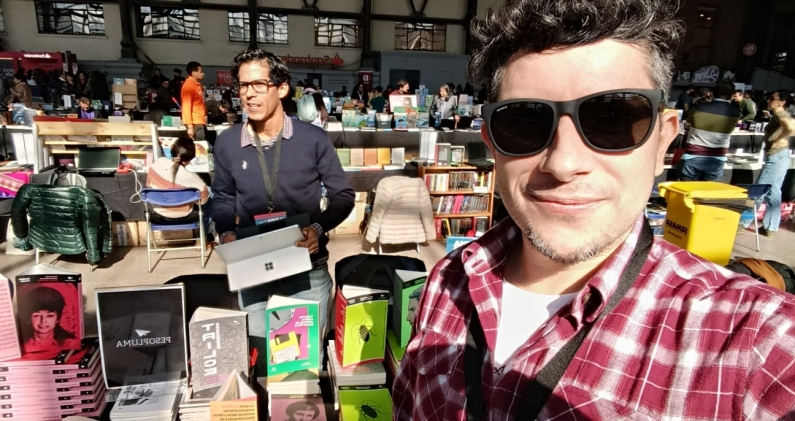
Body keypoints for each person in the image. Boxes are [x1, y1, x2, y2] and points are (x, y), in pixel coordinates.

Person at [392, 0, 795, 420]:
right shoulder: (447, 280)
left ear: (663, 142)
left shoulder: (756, 344)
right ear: (492, 145)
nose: (563, 163)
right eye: (525, 122)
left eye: (612, 119)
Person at [212, 49, 354, 375]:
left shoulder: (313, 139)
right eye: (243, 85)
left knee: (303, 371)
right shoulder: (228, 143)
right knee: (263, 366)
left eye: (259, 84)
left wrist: (317, 228)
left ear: (282, 88)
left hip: (306, 270)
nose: (249, 93)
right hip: (252, 270)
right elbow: (222, 197)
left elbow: (343, 196)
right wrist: (226, 232)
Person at [745, 90, 795, 237]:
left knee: (757, 191)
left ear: (782, 102)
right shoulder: (779, 115)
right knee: (774, 192)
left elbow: (790, 128)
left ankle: (743, 222)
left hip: (776, 156)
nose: (769, 100)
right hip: (780, 156)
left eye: (773, 98)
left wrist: (777, 140)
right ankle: (770, 227)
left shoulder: (780, 114)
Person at [146, 136, 212, 242]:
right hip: (185, 216)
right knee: (210, 194)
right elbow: (203, 201)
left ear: (172, 150)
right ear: (191, 157)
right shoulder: (192, 178)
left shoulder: (157, 164)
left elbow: (148, 185)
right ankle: (202, 238)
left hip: (158, 215)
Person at [676, 81, 740, 181]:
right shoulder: (735, 113)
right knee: (708, 191)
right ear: (731, 95)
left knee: (687, 190)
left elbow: (687, 126)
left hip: (692, 156)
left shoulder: (699, 107)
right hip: (717, 159)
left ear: (712, 93)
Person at [18, 286, 80, 354]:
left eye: (49, 316)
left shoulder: (71, 344)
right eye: (37, 315)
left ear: (57, 318)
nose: (43, 321)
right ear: (28, 319)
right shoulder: (21, 345)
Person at [181, 61, 207, 140]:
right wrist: (190, 126)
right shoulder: (188, 86)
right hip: (195, 123)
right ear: (194, 73)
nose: (203, 74)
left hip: (200, 121)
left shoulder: (197, 85)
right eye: (201, 72)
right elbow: (186, 107)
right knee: (199, 145)